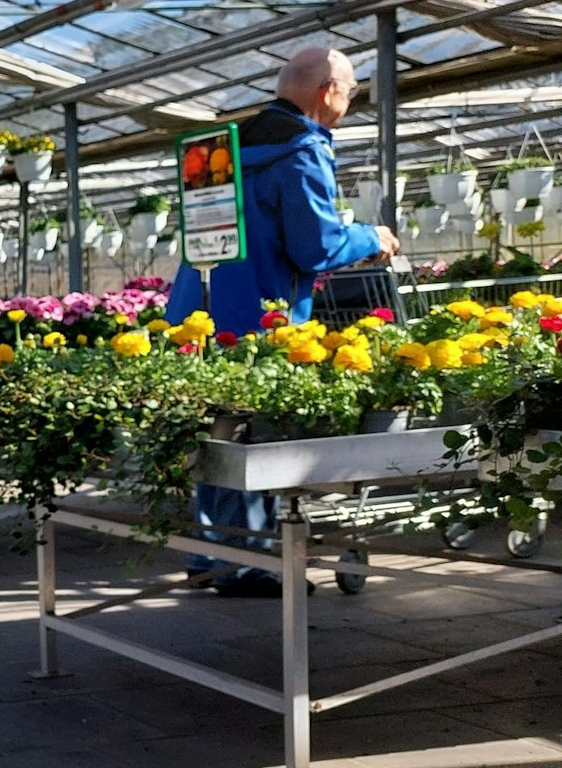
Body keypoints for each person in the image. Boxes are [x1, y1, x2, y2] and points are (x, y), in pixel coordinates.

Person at [165, 46, 401, 597]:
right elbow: (314, 245)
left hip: (197, 311)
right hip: (259, 318)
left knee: (217, 431)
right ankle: (248, 564)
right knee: (255, 436)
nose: (347, 105)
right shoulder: (302, 149)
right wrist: (373, 237)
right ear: (327, 91)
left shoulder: (218, 149)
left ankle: (211, 550)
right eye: (349, 93)